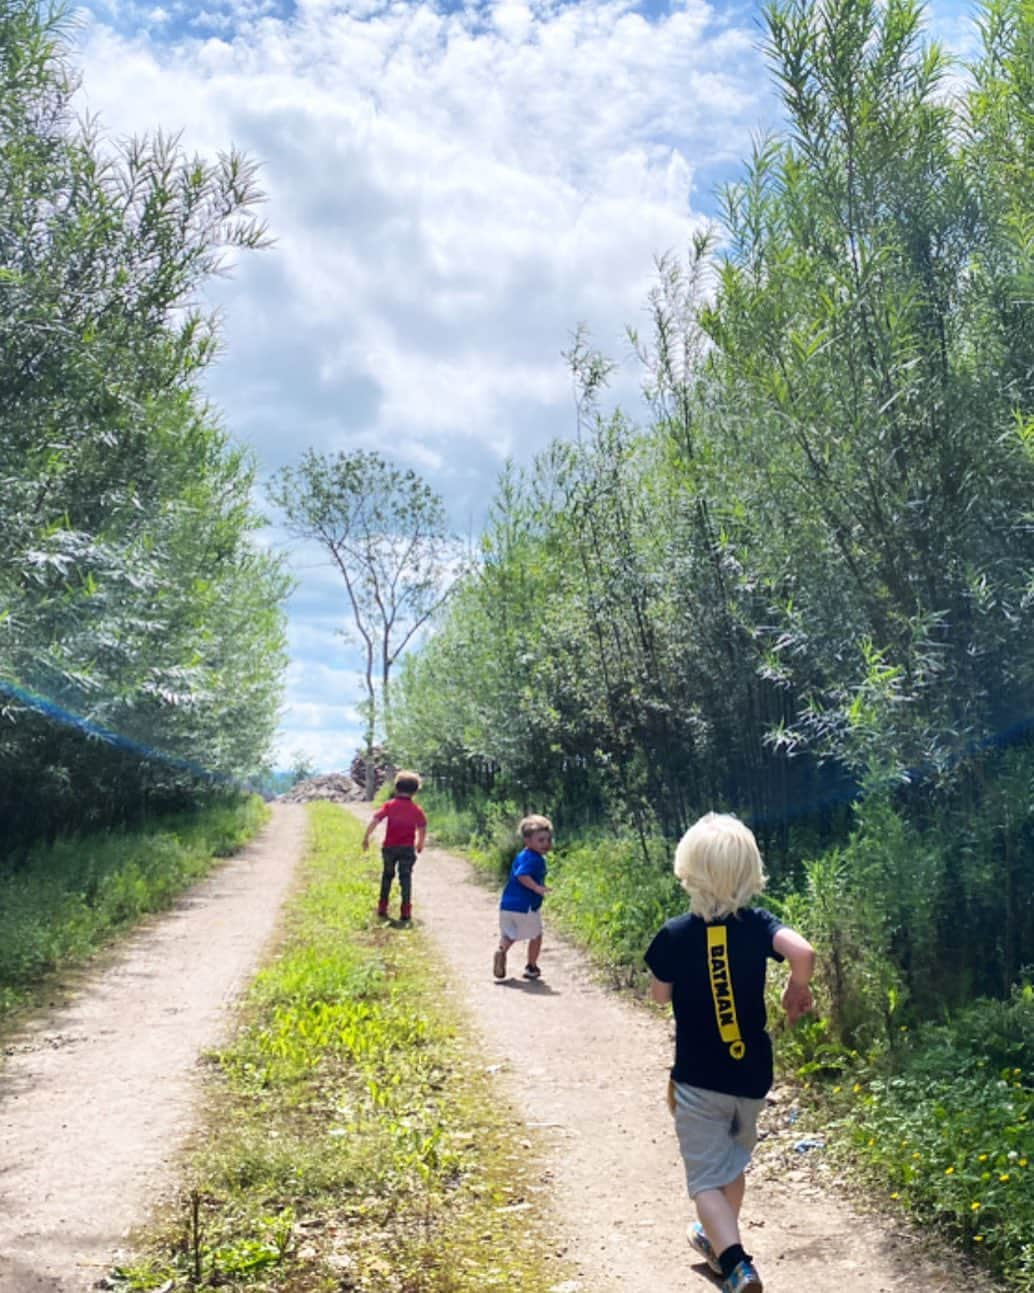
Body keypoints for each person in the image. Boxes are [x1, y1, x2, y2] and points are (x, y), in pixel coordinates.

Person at [644, 812, 815, 1293]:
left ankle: (737, 1263)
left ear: (688, 870)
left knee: (703, 1180)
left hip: (698, 1078)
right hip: (751, 1075)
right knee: (730, 1165)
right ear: (749, 871)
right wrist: (794, 990)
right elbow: (803, 953)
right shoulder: (759, 926)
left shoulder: (675, 934)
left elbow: (659, 997)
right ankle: (719, 1240)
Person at [493, 814, 553, 981]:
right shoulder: (535, 859)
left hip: (507, 905)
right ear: (528, 841)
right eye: (540, 840)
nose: (546, 844)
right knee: (536, 935)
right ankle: (531, 966)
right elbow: (522, 875)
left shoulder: (522, 855)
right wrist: (536, 888)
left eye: (548, 840)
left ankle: (501, 950)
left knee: (510, 934)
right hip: (525, 906)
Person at [362, 770, 427, 920]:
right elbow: (422, 828)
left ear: (396, 788)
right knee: (406, 878)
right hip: (407, 849)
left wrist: (366, 837)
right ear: (415, 791)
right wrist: (420, 843)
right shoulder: (416, 810)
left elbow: (375, 820)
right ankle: (405, 910)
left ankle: (382, 907)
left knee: (387, 876)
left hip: (389, 848)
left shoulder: (389, 806)